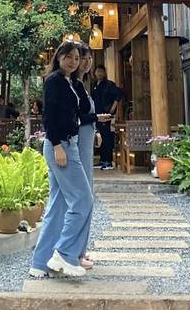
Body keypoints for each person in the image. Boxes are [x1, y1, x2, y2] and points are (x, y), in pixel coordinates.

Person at [29, 41, 93, 279]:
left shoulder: (70, 82)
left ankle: (40, 263)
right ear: (59, 57)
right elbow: (49, 117)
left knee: (57, 206)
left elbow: (82, 110)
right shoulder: (54, 81)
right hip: (61, 146)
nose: (74, 62)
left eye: (77, 58)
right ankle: (64, 253)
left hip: (69, 144)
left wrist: (79, 80)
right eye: (69, 57)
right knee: (83, 200)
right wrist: (57, 146)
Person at [73, 42, 111, 270]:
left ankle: (80, 249)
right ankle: (74, 252)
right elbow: (74, 117)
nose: (86, 63)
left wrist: (95, 128)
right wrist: (96, 119)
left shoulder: (84, 85)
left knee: (86, 195)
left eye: (88, 59)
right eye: (81, 58)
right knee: (82, 198)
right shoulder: (72, 85)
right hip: (76, 145)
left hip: (86, 144)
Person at [92, 65, 122, 170]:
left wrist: (113, 107)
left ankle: (108, 161)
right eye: (97, 71)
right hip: (97, 115)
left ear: (104, 73)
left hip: (106, 115)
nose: (99, 73)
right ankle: (102, 160)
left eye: (101, 71)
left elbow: (119, 94)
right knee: (102, 137)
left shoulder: (109, 84)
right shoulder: (95, 85)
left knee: (107, 137)